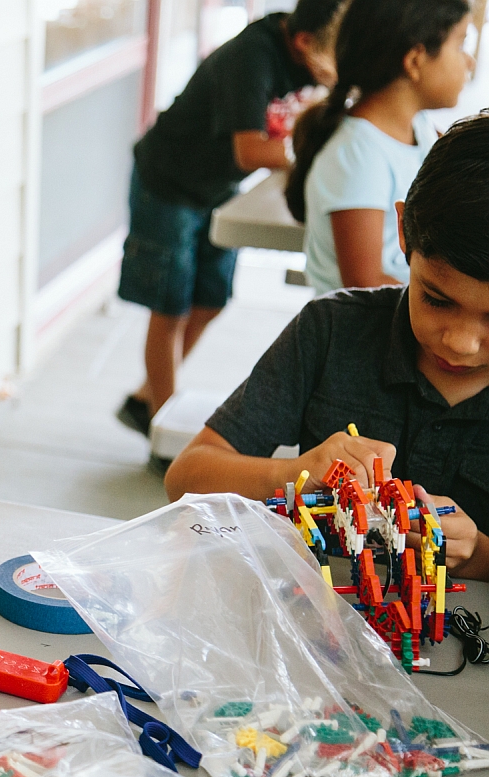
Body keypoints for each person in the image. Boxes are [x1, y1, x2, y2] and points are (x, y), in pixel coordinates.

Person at [165, 113, 489, 582]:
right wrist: (295, 473)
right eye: (436, 299)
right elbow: (186, 479)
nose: (460, 342)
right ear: (403, 233)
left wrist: (477, 551)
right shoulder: (333, 330)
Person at [116, 0, 347, 437]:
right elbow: (251, 151)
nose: (340, 67)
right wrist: (326, 156)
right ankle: (160, 428)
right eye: (337, 56)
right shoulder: (252, 57)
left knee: (211, 300)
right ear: (303, 42)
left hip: (215, 189)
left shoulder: (309, 56)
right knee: (171, 307)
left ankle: (148, 396)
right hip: (168, 182)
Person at [286, 0, 471, 295]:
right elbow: (365, 282)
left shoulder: (419, 128)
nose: (469, 62)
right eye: (461, 45)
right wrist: (455, 298)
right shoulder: (357, 155)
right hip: (365, 329)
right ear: (415, 61)